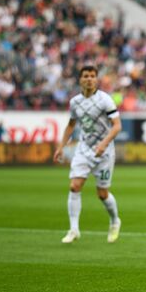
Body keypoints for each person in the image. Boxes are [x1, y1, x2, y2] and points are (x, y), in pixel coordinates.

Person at [53, 65, 122, 244]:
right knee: (74, 186)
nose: (89, 79)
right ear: (80, 79)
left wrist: (103, 144)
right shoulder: (75, 102)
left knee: (102, 193)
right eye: (86, 76)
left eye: (92, 76)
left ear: (96, 79)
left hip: (104, 152)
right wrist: (61, 147)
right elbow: (71, 125)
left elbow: (117, 126)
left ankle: (115, 221)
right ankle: (74, 229)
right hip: (83, 149)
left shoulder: (105, 100)